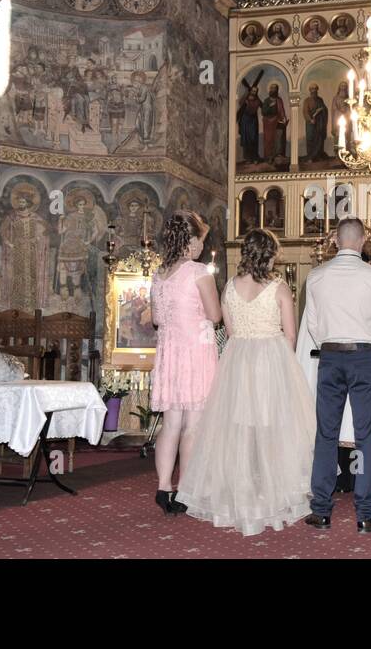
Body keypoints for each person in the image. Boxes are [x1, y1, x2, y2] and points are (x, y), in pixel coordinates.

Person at [177, 229, 316, 535]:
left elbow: (228, 330)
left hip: (238, 359)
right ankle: (269, 487)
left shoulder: (228, 287)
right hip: (271, 358)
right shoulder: (279, 288)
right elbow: (290, 334)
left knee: (239, 427)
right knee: (270, 426)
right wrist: (285, 368)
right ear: (271, 254)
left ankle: (241, 488)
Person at [296, 219, 371, 532]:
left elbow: (312, 325)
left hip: (329, 356)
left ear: (335, 241)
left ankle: (322, 510)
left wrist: (329, 344)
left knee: (326, 434)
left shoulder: (315, 276)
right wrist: (367, 347)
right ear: (364, 240)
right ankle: (366, 513)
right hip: (364, 357)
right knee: (365, 437)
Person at [149, 212, 221, 515]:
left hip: (169, 353)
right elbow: (215, 316)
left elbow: (155, 318)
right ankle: (186, 490)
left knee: (171, 424)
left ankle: (164, 486)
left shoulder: (159, 273)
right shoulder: (198, 272)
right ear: (190, 240)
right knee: (193, 425)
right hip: (195, 352)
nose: (202, 246)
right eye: (201, 239)